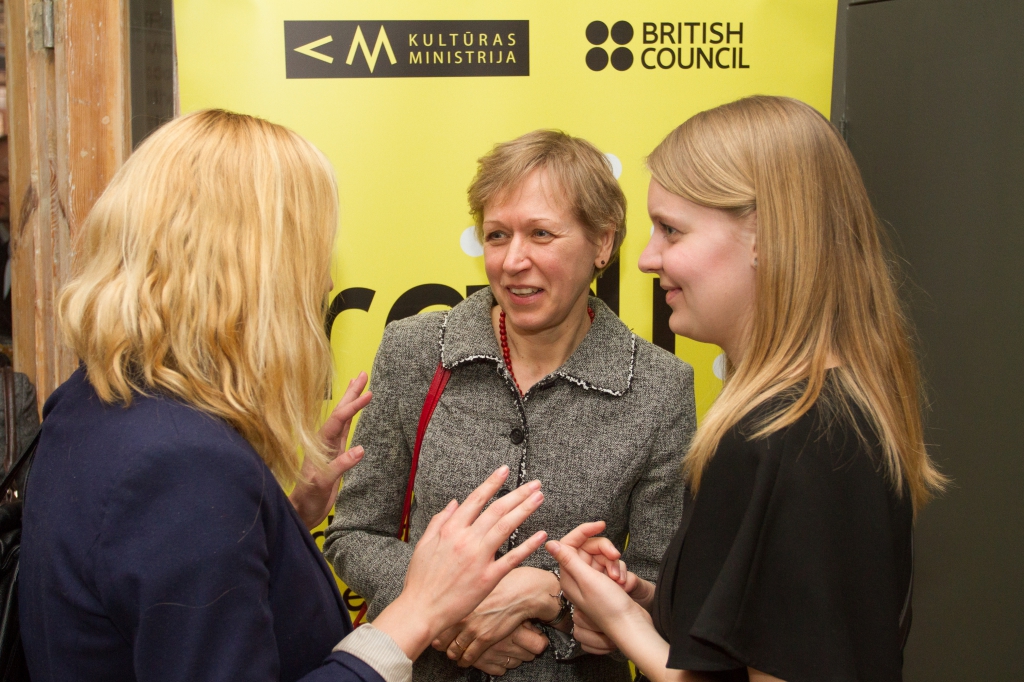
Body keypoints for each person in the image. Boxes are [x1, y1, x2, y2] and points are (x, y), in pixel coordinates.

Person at [18, 109, 549, 682]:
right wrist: (418, 610)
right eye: (312, 251)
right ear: (255, 268)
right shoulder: (183, 466)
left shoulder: (88, 401)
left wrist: (278, 517)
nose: (325, 281)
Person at [545, 95, 948, 682]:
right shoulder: (811, 419)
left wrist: (625, 625)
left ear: (766, 235)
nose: (647, 259)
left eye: (671, 230)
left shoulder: (801, 439)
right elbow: (765, 634)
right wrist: (649, 604)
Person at [323, 130, 696, 681]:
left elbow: (659, 590)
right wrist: (455, 610)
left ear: (603, 243)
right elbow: (354, 533)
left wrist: (554, 602)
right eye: (497, 235)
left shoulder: (660, 387)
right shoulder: (415, 351)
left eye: (541, 233)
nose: (513, 260)